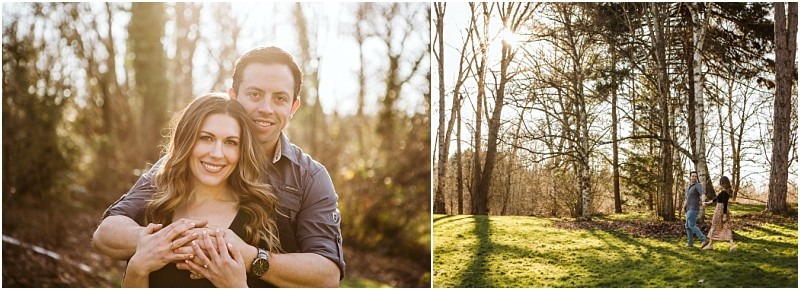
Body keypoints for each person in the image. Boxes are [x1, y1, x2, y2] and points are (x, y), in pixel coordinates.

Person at [92, 46, 344, 287]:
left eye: (279, 98)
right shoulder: (184, 163)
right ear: (233, 96)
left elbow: (327, 276)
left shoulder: (309, 178)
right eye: (255, 94)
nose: (265, 109)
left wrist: (249, 257)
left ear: (293, 107)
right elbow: (108, 231)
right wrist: (167, 242)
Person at [124, 93, 282, 287]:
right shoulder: (153, 209)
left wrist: (237, 286)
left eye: (231, 142)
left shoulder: (262, 218)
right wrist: (137, 268)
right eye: (206, 138)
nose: (216, 154)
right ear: (186, 140)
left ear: (242, 150)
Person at [702, 176, 736, 251]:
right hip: (721, 210)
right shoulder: (724, 191)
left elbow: (725, 204)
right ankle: (731, 245)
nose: (721, 184)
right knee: (725, 226)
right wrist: (707, 203)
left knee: (715, 226)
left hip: (720, 210)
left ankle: (711, 245)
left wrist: (724, 215)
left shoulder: (724, 192)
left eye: (722, 183)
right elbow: (716, 199)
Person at [681, 171, 709, 248]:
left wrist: (703, 201)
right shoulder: (688, 187)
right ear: (690, 177)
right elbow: (686, 199)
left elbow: (702, 193)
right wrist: (683, 208)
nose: (694, 177)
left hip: (694, 208)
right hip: (688, 208)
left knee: (691, 225)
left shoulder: (698, 185)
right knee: (687, 226)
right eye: (692, 176)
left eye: (695, 176)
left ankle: (704, 239)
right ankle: (690, 243)